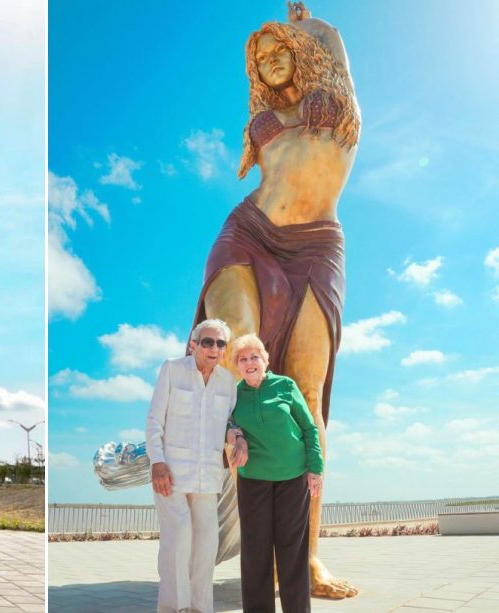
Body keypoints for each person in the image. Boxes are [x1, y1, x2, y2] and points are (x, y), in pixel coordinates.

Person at [188, 1, 358, 598]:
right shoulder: (262, 120)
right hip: (247, 234)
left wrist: (306, 21)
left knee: (307, 394)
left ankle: (307, 556)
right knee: (235, 359)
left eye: (280, 48)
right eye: (259, 57)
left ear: (304, 51)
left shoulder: (336, 105)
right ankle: (206, 473)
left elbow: (332, 44)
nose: (270, 60)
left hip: (315, 246)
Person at [146, 319, 244, 613]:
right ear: (193, 344)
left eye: (220, 343)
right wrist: (157, 462)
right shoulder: (172, 370)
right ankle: (174, 608)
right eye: (207, 342)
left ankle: (201, 608)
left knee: (206, 543)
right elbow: (154, 420)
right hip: (171, 472)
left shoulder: (228, 382)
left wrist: (237, 438)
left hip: (208, 475)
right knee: (179, 538)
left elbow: (227, 421)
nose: (213, 348)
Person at [227, 334, 322, 613]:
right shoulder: (234, 394)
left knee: (292, 551)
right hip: (253, 479)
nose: (249, 363)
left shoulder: (285, 385)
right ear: (237, 366)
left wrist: (315, 469)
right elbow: (223, 423)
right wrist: (236, 436)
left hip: (292, 477)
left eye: (254, 357)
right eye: (242, 359)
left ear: (264, 360)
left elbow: (309, 428)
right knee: (255, 552)